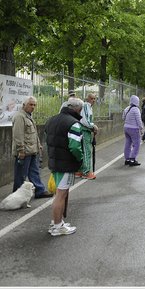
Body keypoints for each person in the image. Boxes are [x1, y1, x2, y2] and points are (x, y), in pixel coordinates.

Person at [45, 98, 84, 236]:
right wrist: (80, 159)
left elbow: (47, 140)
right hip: (66, 163)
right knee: (61, 195)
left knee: (59, 194)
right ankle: (57, 226)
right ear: (78, 109)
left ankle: (56, 222)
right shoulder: (73, 123)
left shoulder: (51, 120)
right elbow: (75, 147)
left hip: (54, 161)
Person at [12, 96, 53, 198]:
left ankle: (39, 191)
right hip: (24, 152)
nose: (33, 107)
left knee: (34, 172)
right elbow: (18, 135)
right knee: (21, 175)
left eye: (34, 105)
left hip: (31, 150)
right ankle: (17, 195)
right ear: (24, 105)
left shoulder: (28, 116)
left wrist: (38, 144)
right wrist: (21, 151)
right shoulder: (20, 117)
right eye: (31, 104)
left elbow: (32, 134)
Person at [76, 93, 98, 179]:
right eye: (91, 98)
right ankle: (86, 172)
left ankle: (81, 170)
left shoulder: (89, 107)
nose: (93, 100)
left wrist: (93, 127)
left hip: (87, 130)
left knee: (83, 151)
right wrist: (93, 126)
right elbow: (84, 120)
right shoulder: (86, 106)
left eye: (94, 99)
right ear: (87, 99)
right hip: (84, 131)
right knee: (87, 151)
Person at [123, 95, 143, 166]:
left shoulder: (127, 108)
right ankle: (132, 159)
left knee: (128, 143)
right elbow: (138, 120)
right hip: (134, 128)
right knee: (136, 144)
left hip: (126, 127)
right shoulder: (136, 110)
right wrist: (141, 128)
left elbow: (123, 118)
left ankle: (127, 159)